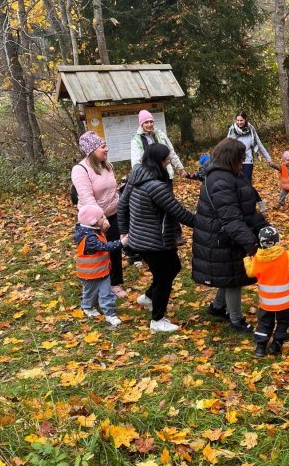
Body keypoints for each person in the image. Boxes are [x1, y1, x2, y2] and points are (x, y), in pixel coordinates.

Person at [192, 138, 269, 332]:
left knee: (228, 274)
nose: (243, 161)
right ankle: (236, 320)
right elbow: (231, 219)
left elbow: (246, 209)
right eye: (241, 158)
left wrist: (264, 227)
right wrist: (251, 245)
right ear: (230, 158)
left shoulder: (231, 174)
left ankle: (218, 307)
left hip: (227, 235)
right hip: (221, 238)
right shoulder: (220, 180)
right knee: (234, 278)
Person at [117, 143, 196, 333]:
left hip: (144, 238)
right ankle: (157, 320)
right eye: (166, 160)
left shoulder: (136, 176)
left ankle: (149, 298)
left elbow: (122, 206)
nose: (169, 162)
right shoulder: (155, 187)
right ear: (157, 161)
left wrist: (125, 231)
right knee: (163, 278)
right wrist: (207, 224)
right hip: (153, 242)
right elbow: (179, 213)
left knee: (174, 267)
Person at [72, 131, 128, 298]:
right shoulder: (80, 169)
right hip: (94, 220)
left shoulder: (106, 165)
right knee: (99, 253)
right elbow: (87, 198)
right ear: (91, 150)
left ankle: (115, 283)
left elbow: (111, 190)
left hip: (113, 214)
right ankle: (96, 284)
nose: (107, 149)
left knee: (115, 250)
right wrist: (100, 220)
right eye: (102, 146)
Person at [244, 226, 289, 357]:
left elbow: (250, 273)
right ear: (277, 240)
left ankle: (260, 347)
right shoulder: (285, 255)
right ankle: (277, 344)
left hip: (266, 302)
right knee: (284, 321)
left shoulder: (257, 258)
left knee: (264, 322)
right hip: (283, 301)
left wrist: (246, 260)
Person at [74, 204, 128, 327]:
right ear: (94, 222)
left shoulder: (93, 230)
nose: (105, 218)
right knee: (90, 292)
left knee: (107, 293)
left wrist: (104, 229)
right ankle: (87, 307)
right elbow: (104, 246)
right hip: (89, 274)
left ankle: (110, 314)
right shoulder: (89, 238)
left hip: (102, 271)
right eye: (102, 216)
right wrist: (121, 243)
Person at [130, 110, 187, 179]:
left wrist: (179, 167)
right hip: (149, 177)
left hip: (166, 174)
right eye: (146, 122)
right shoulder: (136, 141)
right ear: (141, 124)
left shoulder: (161, 135)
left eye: (151, 121)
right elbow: (136, 162)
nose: (149, 124)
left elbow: (171, 152)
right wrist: (140, 177)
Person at [226, 110, 273, 183]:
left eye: (241, 120)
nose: (239, 122)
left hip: (248, 159)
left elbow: (259, 143)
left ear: (245, 119)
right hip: (235, 160)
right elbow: (227, 145)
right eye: (237, 120)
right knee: (237, 183)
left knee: (247, 183)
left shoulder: (251, 129)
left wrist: (268, 158)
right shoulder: (232, 129)